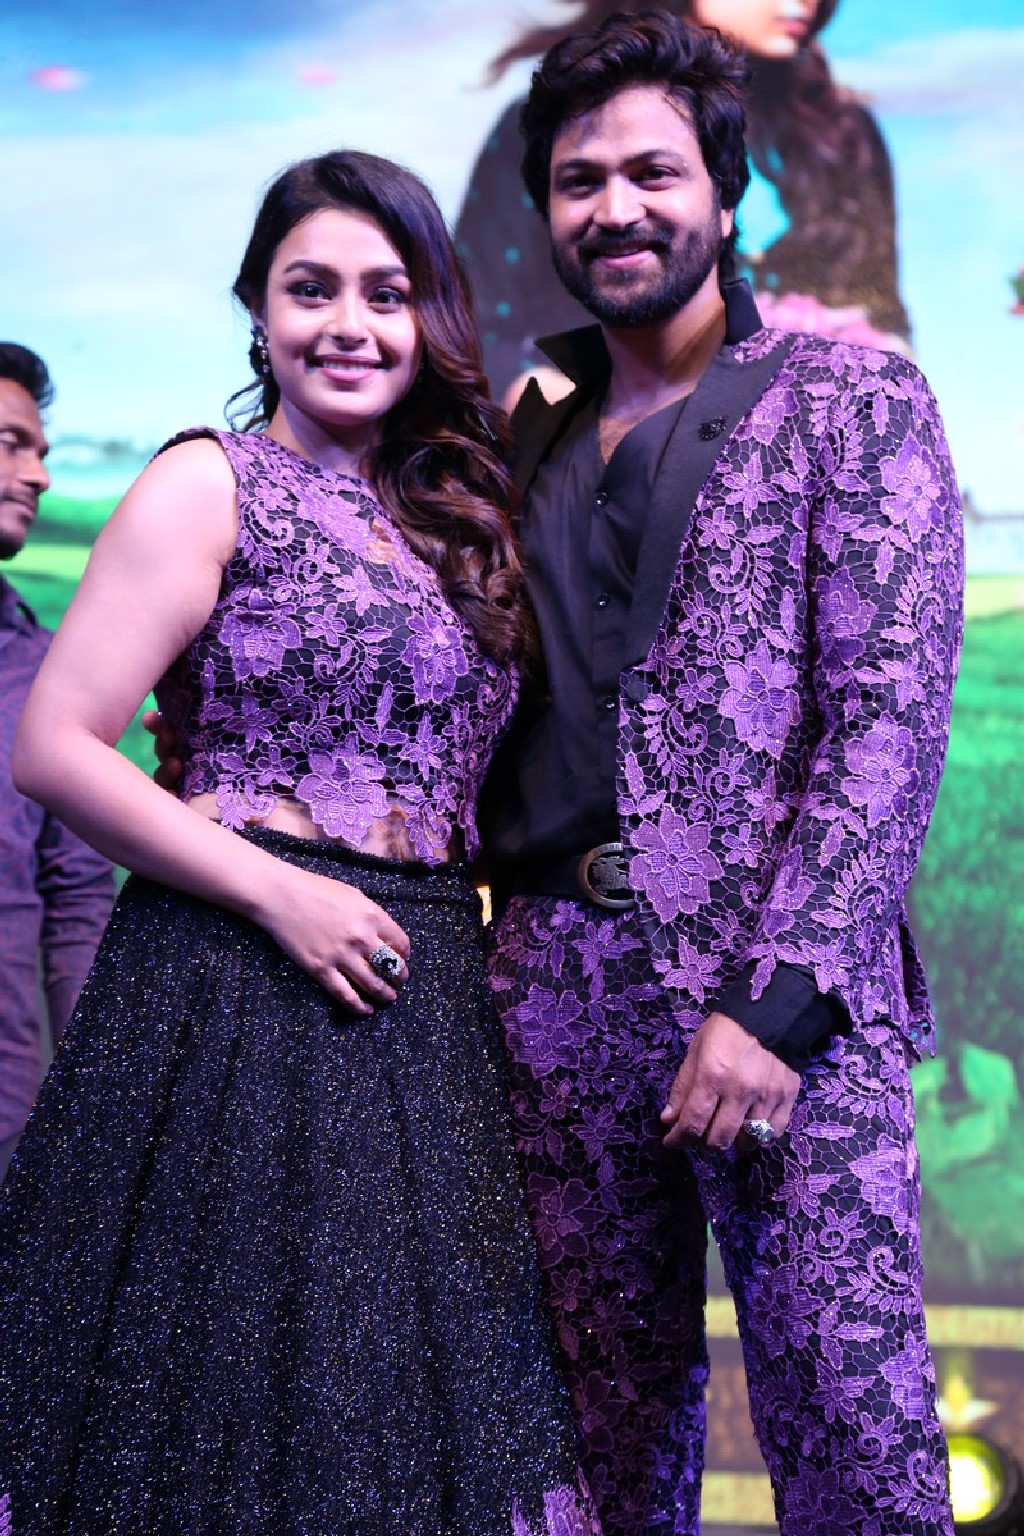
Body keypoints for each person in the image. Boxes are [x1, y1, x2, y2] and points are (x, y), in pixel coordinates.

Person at [0, 152, 601, 1536]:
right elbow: (56, 745)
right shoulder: (208, 485)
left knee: (399, 1423)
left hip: (424, 1003)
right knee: (219, 1407)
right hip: (232, 982)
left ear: (429, 316)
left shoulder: (455, 519)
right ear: (257, 311)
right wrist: (282, 896)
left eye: (386, 294)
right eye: (310, 289)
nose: (349, 324)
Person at [478, 11, 961, 1536]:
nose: (614, 209)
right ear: (543, 208)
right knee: (591, 1453)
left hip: (779, 1004)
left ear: (724, 188)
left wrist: (776, 1005)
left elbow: (888, 725)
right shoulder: (527, 439)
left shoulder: (854, 402)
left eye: (652, 173)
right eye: (579, 181)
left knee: (858, 1443)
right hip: (552, 995)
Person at [455, 0, 909, 404]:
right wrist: (584, 426)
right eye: (585, 181)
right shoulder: (556, 129)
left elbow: (883, 319)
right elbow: (473, 324)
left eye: (655, 174)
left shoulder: (845, 138)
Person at [0, 343, 114, 1185]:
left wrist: (90, 1120)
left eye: (40, 450)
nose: (39, 475)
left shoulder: (40, 677)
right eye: (11, 444)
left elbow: (76, 901)